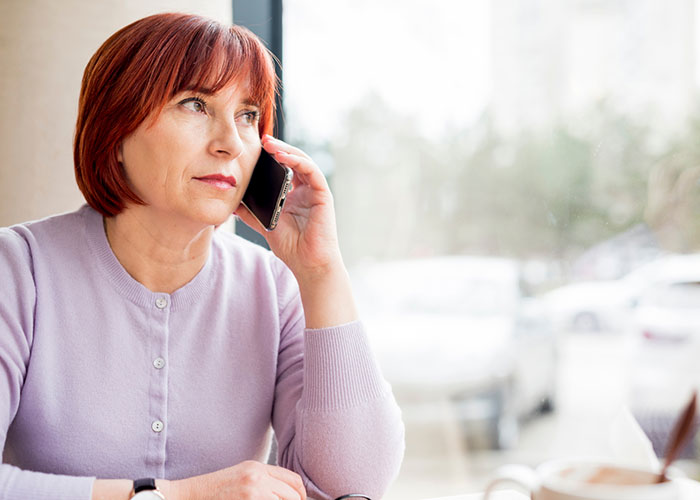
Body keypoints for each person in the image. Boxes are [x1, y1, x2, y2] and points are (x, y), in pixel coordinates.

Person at [0, 12, 404, 500]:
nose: (231, 143)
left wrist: (321, 273)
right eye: (195, 104)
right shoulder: (18, 270)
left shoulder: (272, 286)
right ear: (115, 131)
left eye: (248, 115)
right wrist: (173, 497)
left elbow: (350, 486)